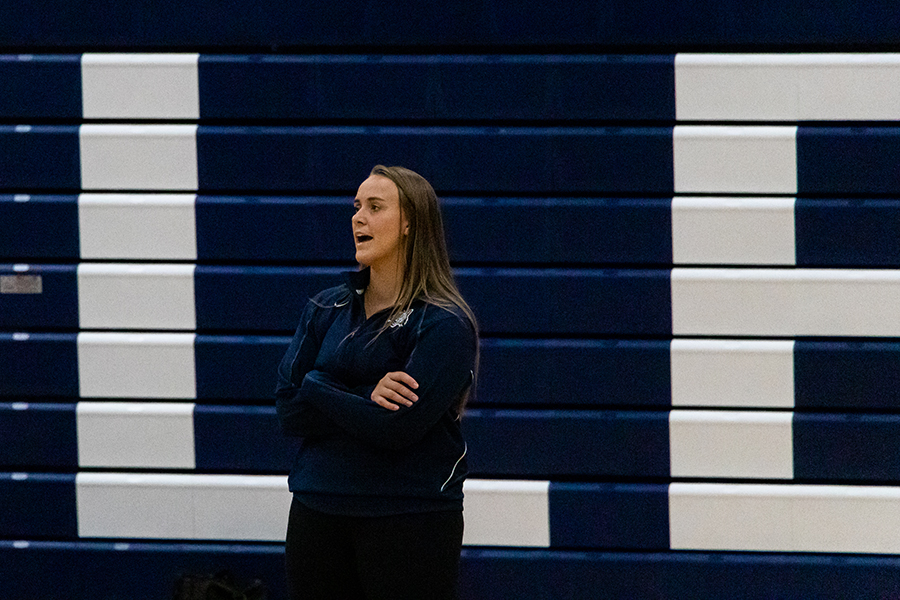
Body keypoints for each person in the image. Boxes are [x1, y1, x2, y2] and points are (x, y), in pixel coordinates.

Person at [275, 165, 479, 600]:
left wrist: (317, 382)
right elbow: (288, 408)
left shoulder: (443, 323)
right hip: (317, 507)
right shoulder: (325, 307)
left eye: (375, 206)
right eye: (356, 207)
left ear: (410, 223)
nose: (357, 217)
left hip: (409, 516)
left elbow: (395, 428)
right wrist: (361, 395)